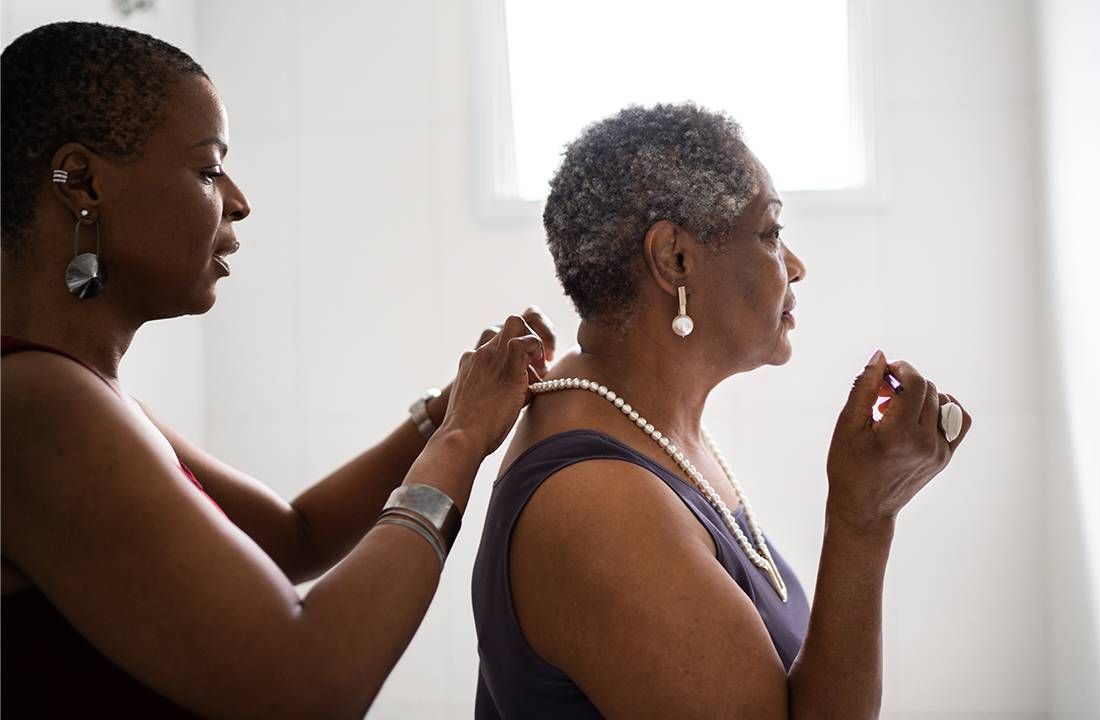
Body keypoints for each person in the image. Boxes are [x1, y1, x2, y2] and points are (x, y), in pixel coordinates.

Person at [1, 21, 552, 718]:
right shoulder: (36, 403)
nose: (238, 200)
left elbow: (295, 537)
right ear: (81, 182)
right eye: (207, 169)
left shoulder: (70, 390)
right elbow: (308, 685)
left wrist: (445, 414)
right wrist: (461, 442)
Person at [471, 103, 973, 719]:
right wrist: (862, 520)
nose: (795, 267)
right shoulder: (598, 504)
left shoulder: (641, 425)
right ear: (675, 259)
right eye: (770, 233)